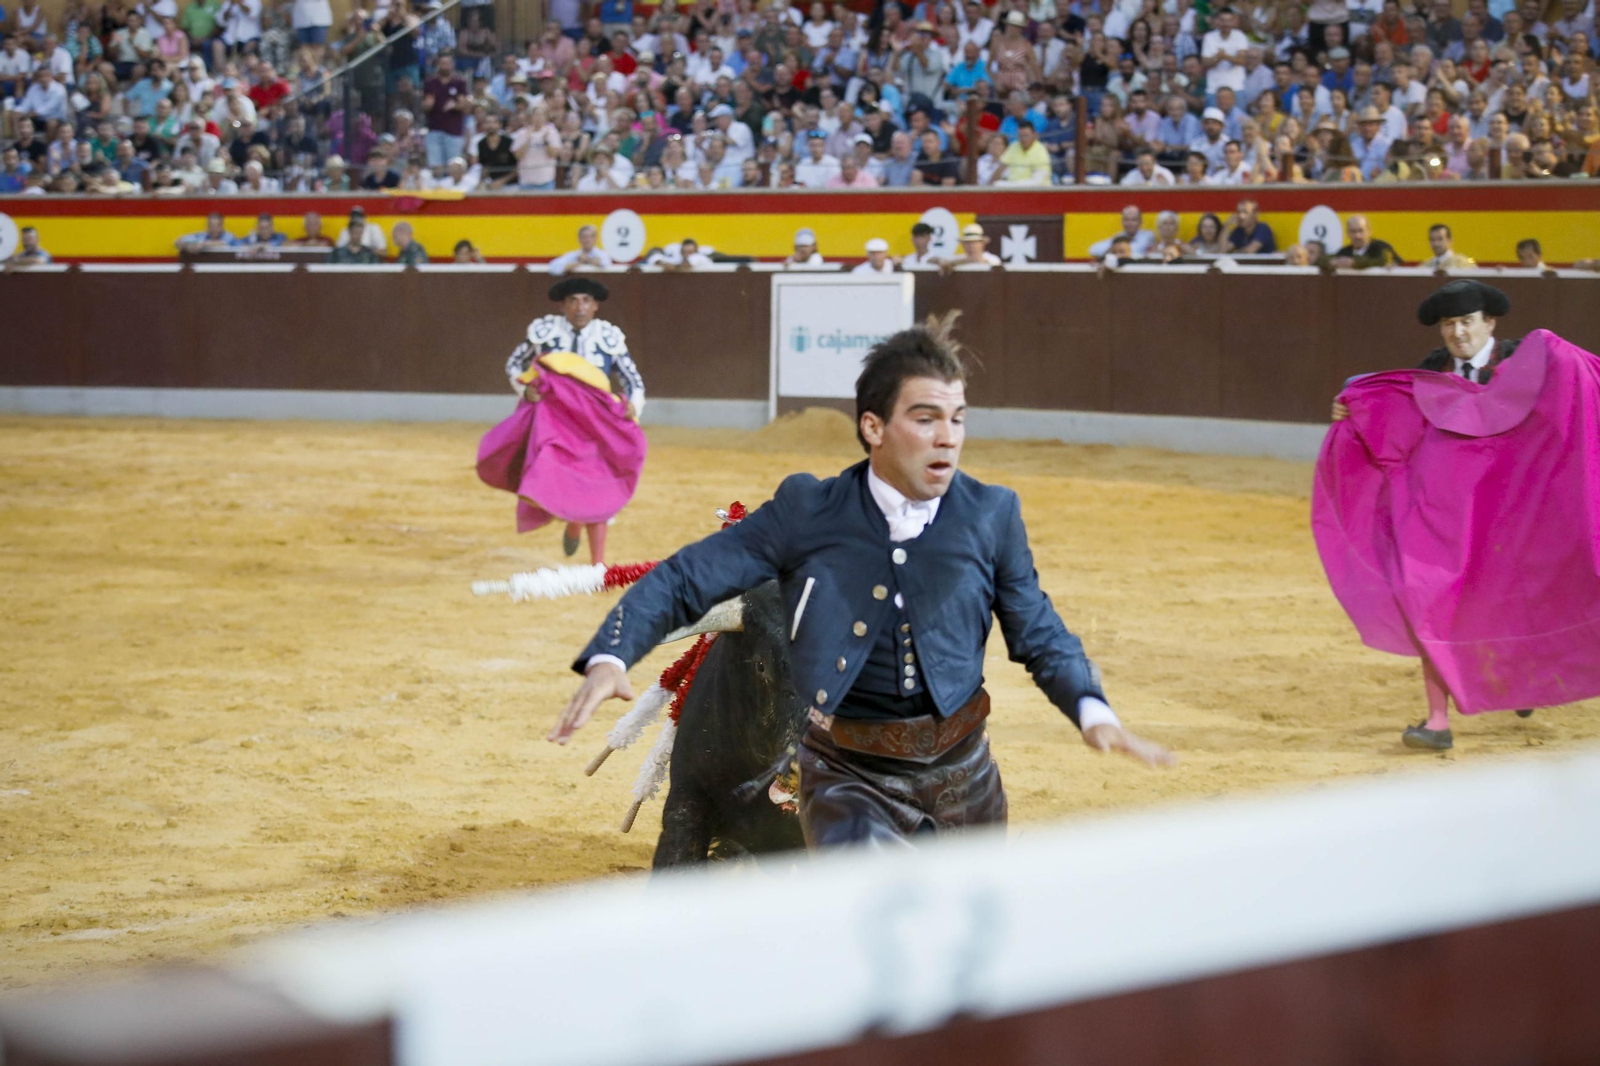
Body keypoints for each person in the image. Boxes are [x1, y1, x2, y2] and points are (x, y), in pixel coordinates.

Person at [550, 316, 1174, 850]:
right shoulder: (808, 510)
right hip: (850, 778)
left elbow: (1038, 629)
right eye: (926, 418)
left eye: (957, 418)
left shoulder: (992, 513)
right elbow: (689, 576)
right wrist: (613, 651)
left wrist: (1091, 710)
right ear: (873, 428)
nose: (948, 437)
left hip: (966, 775)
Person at [1324, 281, 1550, 749]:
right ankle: (1437, 722)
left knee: (1508, 602)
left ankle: (1516, 674)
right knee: (1427, 602)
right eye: (1449, 324)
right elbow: (1398, 417)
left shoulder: (1522, 363)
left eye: (1466, 321)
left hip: (1512, 512)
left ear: (1489, 323)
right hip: (1447, 514)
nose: (1458, 333)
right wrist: (1353, 410)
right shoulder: (1432, 369)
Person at [503, 276, 644, 561]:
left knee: (596, 485)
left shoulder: (608, 337)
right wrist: (525, 389)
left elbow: (634, 382)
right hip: (557, 423)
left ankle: (596, 564)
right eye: (573, 301)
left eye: (586, 301)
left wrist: (633, 406)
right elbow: (514, 364)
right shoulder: (545, 332)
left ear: (595, 307)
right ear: (563, 306)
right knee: (569, 479)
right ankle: (575, 523)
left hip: (596, 426)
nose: (580, 307)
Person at [1330, 215, 1401, 269]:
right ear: (1347, 233)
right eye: (1353, 231)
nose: (1357, 236)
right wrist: (1333, 262)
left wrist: (1355, 263)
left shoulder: (1381, 247)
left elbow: (1382, 260)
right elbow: (1326, 260)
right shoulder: (1345, 252)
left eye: (1361, 231)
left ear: (1369, 231)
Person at [1089, 206, 1156, 258]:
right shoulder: (1119, 236)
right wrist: (1112, 249)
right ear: (1122, 222)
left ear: (1140, 222)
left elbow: (1135, 252)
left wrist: (1116, 250)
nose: (1129, 223)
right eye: (1126, 220)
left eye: (1133, 220)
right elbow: (1093, 250)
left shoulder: (1148, 236)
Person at [548, 224, 615, 276]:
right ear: (579, 239)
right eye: (584, 237)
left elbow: (607, 265)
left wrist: (588, 260)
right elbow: (554, 267)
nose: (587, 240)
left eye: (590, 237)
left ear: (595, 239)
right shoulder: (574, 255)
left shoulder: (602, 254)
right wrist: (577, 263)